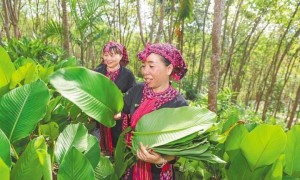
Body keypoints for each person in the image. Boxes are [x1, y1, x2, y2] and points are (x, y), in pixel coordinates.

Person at [116, 43, 188, 179]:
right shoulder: (137, 90)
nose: (145, 71)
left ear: (169, 69)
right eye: (144, 66)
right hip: (130, 166)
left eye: (151, 66)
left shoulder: (179, 105)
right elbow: (122, 112)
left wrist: (161, 159)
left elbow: (181, 147)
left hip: (158, 173)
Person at [94, 41, 136, 156]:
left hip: (118, 117)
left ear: (121, 56)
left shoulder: (128, 75)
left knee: (118, 146)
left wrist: (121, 112)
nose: (108, 59)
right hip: (99, 116)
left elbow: (132, 96)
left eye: (112, 55)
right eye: (106, 55)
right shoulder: (97, 72)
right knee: (98, 145)